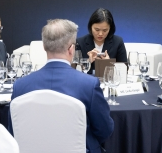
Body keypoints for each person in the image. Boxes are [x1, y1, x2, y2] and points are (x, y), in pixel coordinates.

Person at [8, 19, 114, 153]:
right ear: (71, 49)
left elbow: (14, 130)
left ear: (44, 47)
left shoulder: (20, 85)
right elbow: (105, 130)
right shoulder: (89, 85)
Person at [77, 8, 127, 74]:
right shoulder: (80, 42)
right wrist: (88, 62)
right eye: (97, 30)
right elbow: (74, 71)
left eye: (105, 30)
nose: (100, 34)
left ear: (110, 29)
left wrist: (109, 63)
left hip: (109, 82)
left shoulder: (118, 42)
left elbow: (125, 70)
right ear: (90, 27)